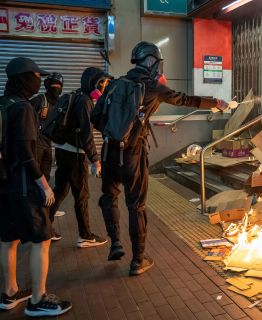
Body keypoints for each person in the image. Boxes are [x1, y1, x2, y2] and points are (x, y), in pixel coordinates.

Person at [98, 41, 229, 276]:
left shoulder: (114, 84)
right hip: (133, 154)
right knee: (136, 205)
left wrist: (115, 133)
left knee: (109, 197)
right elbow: (184, 99)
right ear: (151, 62)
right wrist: (216, 103)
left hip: (109, 152)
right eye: (157, 63)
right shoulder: (151, 86)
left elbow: (96, 116)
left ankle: (115, 242)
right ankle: (138, 260)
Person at [0, 57, 72, 316]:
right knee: (42, 239)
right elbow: (27, 152)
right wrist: (44, 184)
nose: (39, 81)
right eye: (36, 76)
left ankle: (9, 293)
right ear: (23, 78)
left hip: (4, 184)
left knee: (9, 239)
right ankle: (38, 300)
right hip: (23, 186)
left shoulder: (3, 103)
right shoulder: (23, 107)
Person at [48, 67, 109, 248]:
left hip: (63, 150)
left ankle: (44, 227)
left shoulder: (76, 96)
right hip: (75, 155)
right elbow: (86, 134)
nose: (104, 87)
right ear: (94, 83)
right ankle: (85, 235)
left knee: (60, 190)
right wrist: (95, 160)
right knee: (81, 196)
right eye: (103, 83)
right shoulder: (84, 101)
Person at [30, 73, 66, 238]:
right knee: (36, 179)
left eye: (59, 85)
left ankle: (44, 208)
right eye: (54, 84)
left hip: (48, 144)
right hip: (36, 144)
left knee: (45, 177)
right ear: (47, 85)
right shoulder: (39, 100)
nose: (56, 87)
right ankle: (38, 217)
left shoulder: (58, 102)